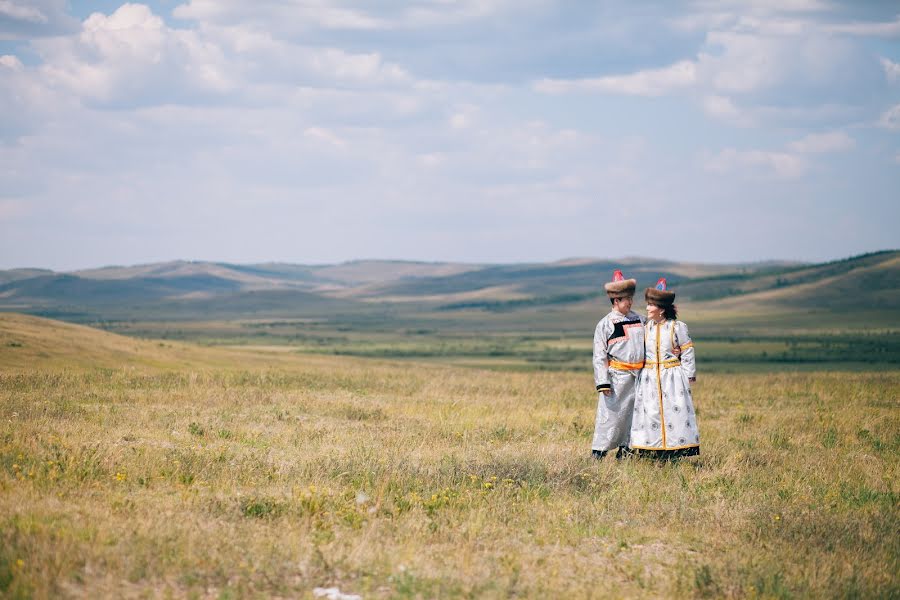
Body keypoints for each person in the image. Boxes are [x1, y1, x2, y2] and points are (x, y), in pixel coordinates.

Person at [630, 278, 699, 458]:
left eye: (650, 305)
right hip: (649, 377)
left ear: (661, 308)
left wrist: (688, 375)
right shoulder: (645, 327)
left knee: (674, 412)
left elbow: (687, 350)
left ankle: (674, 450)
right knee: (650, 412)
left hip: (672, 377)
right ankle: (652, 450)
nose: (647, 308)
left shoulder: (677, 327)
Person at [591, 270, 645, 459]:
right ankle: (598, 453)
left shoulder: (640, 320)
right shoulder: (605, 324)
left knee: (633, 417)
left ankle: (627, 452)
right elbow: (599, 355)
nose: (629, 302)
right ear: (615, 300)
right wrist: (603, 382)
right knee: (611, 417)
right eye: (625, 299)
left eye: (630, 298)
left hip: (638, 378)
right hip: (616, 379)